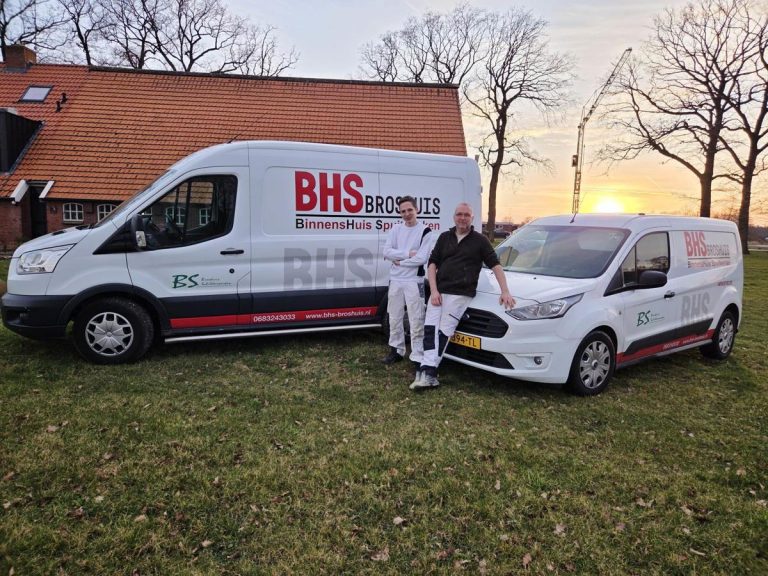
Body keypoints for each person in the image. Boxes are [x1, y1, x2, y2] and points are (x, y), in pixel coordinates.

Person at [410, 202, 515, 390]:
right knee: (430, 329)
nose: (463, 218)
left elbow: (496, 265)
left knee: (443, 331)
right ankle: (426, 368)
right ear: (454, 217)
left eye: (467, 215)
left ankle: (429, 373)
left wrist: (505, 291)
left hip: (460, 294)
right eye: (459, 214)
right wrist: (434, 290)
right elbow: (432, 264)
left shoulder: (480, 240)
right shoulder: (444, 237)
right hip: (439, 292)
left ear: (472, 218)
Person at [381, 196, 433, 370]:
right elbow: (386, 252)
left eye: (410, 210)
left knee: (416, 318)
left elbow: (421, 258)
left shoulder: (425, 231)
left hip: (414, 281)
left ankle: (417, 355)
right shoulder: (396, 229)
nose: (407, 214)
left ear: (416, 210)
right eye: (403, 211)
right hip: (396, 280)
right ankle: (396, 350)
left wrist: (399, 261)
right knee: (394, 316)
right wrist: (407, 254)